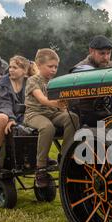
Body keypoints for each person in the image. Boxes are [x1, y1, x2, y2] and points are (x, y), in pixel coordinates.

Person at [24, 48, 80, 187]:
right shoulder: (33, 80)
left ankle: (65, 155)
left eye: (56, 67)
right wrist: (57, 103)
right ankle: (40, 167)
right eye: (50, 67)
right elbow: (42, 99)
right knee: (47, 127)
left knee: (72, 117)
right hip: (34, 114)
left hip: (51, 113)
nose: (53, 70)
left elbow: (62, 100)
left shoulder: (54, 82)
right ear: (38, 65)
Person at [0, 56, 37, 172]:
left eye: (15, 67)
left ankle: (38, 156)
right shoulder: (4, 83)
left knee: (37, 120)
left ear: (24, 71)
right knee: (3, 118)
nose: (11, 70)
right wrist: (11, 119)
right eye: (10, 67)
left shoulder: (29, 83)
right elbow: (5, 104)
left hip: (20, 116)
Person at [70, 35, 112, 126]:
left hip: (103, 110)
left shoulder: (106, 66)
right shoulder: (80, 68)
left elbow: (110, 93)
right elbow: (94, 76)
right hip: (83, 114)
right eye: (102, 53)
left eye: (108, 53)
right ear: (91, 51)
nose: (106, 58)